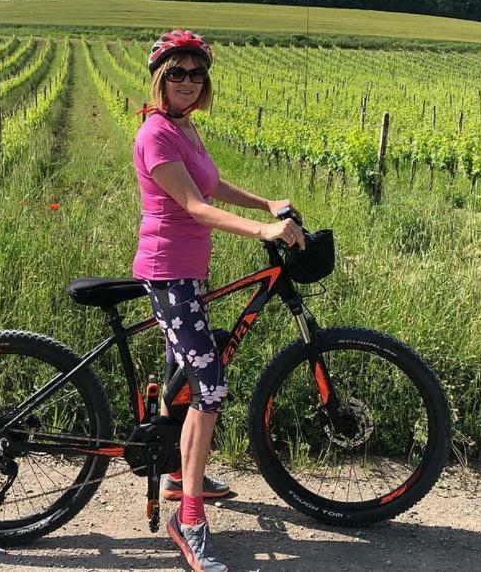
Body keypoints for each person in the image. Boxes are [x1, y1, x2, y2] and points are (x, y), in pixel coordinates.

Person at [133, 29, 305, 572]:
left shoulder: (185, 129)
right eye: (177, 72)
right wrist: (263, 231)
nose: (188, 81)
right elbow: (193, 206)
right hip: (169, 274)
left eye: (196, 73)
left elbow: (213, 185)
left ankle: (177, 472)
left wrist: (266, 202)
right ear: (161, 78)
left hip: (188, 272)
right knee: (210, 388)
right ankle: (188, 519)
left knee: (181, 374)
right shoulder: (156, 134)